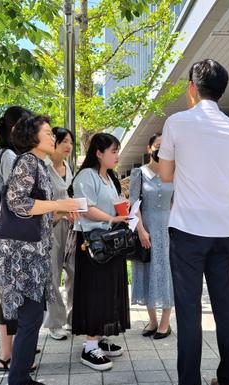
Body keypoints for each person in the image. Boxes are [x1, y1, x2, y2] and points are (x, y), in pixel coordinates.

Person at [155, 59, 229, 385]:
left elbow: (165, 176)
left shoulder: (177, 123)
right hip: (223, 230)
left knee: (189, 309)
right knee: (226, 307)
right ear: (221, 91)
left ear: (192, 89)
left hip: (188, 230)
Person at [0, 114, 80, 385]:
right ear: (32, 136)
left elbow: (37, 211)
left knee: (33, 316)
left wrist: (61, 212)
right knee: (30, 317)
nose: (53, 137)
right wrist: (59, 204)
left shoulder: (38, 164)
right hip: (20, 255)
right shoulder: (27, 162)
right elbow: (18, 203)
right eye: (47, 133)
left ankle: (23, 380)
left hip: (32, 252)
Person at [71, 133, 131, 371]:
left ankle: (100, 337)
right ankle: (90, 345)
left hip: (109, 242)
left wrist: (123, 211)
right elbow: (85, 208)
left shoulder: (110, 177)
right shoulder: (87, 175)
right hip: (93, 243)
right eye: (113, 151)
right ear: (98, 153)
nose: (117, 156)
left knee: (109, 291)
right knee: (95, 291)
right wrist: (112, 218)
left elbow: (115, 204)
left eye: (118, 151)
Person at [0, 106, 33, 372]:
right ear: (16, 127)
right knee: (10, 295)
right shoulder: (8, 155)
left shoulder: (9, 154)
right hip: (10, 236)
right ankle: (6, 356)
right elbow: (17, 198)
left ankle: (14, 349)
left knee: (13, 293)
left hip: (13, 234)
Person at [130, 133, 175, 339]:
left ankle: (165, 323)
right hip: (146, 227)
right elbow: (134, 205)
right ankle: (153, 321)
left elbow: (176, 202)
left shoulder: (174, 172)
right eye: (158, 145)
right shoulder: (138, 173)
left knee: (167, 273)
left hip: (168, 230)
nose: (161, 149)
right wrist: (141, 230)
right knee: (147, 271)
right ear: (149, 148)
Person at [42, 127, 75, 341]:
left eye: (71, 142)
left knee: (74, 271)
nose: (69, 146)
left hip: (71, 227)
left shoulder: (69, 167)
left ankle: (73, 317)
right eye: (64, 141)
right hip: (51, 227)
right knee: (53, 274)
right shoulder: (43, 168)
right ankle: (55, 323)